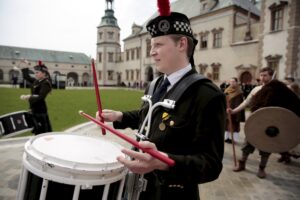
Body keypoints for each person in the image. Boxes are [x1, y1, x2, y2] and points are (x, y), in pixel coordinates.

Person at [98, 2, 226, 199]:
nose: (151, 52)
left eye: (158, 44)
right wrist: (119, 116)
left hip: (171, 193)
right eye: (151, 46)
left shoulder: (207, 95)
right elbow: (149, 117)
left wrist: (162, 161)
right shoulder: (156, 84)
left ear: (181, 44)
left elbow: (211, 165)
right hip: (138, 188)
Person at [228, 67, 274, 178]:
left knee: (266, 147)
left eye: (265, 75)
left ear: (271, 76)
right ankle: (242, 164)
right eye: (261, 75)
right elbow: (246, 102)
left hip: (270, 123)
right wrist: (233, 111)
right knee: (247, 144)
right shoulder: (256, 89)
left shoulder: (276, 90)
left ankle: (262, 168)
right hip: (255, 121)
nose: (262, 77)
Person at [251, 80, 300, 164]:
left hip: (285, 122)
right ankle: (284, 155)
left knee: (284, 140)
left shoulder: (290, 97)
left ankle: (286, 155)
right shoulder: (267, 94)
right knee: (277, 140)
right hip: (270, 122)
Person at [17, 61, 52, 135]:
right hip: (33, 108)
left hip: (40, 111)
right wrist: (26, 66)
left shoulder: (46, 83)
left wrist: (29, 96)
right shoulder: (36, 81)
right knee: (36, 131)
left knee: (43, 132)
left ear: (44, 74)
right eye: (35, 72)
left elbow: (41, 97)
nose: (35, 74)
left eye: (37, 72)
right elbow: (26, 77)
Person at [224, 77, 245, 143]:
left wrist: (237, 113)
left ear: (236, 82)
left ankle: (233, 139)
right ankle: (227, 138)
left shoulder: (239, 92)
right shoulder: (227, 90)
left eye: (233, 81)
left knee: (234, 125)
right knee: (227, 125)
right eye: (231, 81)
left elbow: (240, 103)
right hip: (227, 110)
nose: (232, 83)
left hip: (235, 111)